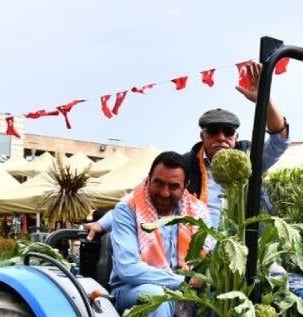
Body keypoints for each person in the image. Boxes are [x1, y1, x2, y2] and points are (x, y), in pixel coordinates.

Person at [87, 60, 289, 238]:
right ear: (202, 135)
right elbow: (140, 196)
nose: (221, 137)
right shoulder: (184, 166)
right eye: (213, 131)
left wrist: (265, 99)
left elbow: (279, 139)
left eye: (227, 131)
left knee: (277, 273)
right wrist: (101, 224)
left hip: (248, 248)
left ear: (235, 136)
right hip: (200, 249)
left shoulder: (248, 160)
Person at [109, 151, 209, 317]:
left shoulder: (198, 212)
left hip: (187, 290)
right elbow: (127, 268)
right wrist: (183, 282)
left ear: (185, 186)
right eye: (158, 183)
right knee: (159, 297)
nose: (164, 193)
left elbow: (207, 258)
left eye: (173, 186)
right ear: (149, 179)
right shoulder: (127, 208)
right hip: (131, 289)